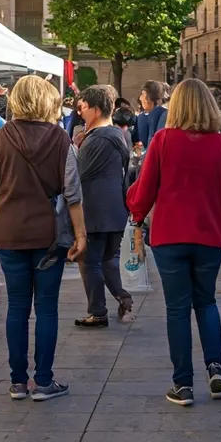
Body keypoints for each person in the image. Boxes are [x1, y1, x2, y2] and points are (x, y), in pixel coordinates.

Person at [127, 79, 221, 406]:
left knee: (177, 308)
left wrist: (134, 208)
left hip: (169, 237)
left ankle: (183, 384)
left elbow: (144, 190)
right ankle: (215, 367)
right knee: (206, 301)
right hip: (209, 234)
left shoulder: (164, 141)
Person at [0, 75, 85, 402]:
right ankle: (43, 381)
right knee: (47, 308)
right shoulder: (60, 139)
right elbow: (73, 193)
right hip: (48, 237)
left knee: (17, 307)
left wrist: (2, 211)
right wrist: (80, 235)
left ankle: (16, 382)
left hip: (9, 234)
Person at [73, 85, 134, 328]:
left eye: (84, 107)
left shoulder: (96, 139)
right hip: (116, 207)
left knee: (90, 261)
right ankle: (123, 297)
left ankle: (97, 311)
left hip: (96, 208)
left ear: (96, 110)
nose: (80, 112)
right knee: (108, 258)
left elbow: (79, 174)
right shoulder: (118, 134)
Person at [137, 80, 170, 150]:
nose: (140, 98)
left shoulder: (155, 115)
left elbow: (150, 145)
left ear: (149, 97)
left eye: (142, 94)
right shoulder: (165, 114)